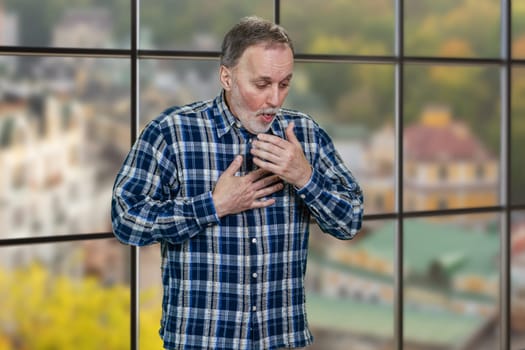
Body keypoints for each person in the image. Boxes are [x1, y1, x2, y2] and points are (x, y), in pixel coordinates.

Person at [111, 16, 364, 350]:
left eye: (285, 83)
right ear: (226, 77)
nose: (275, 99)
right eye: (261, 84)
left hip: (280, 340)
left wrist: (305, 177)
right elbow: (125, 219)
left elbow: (351, 220)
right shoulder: (172, 132)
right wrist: (212, 206)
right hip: (200, 341)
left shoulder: (306, 135)